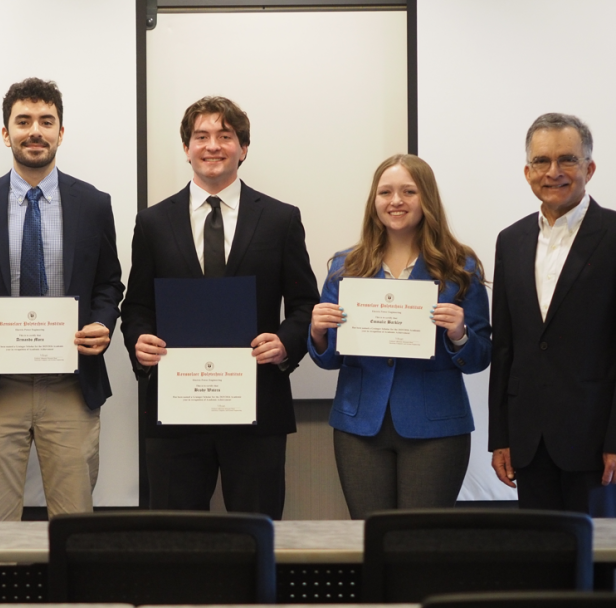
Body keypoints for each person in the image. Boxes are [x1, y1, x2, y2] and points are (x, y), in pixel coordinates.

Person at [120, 96, 318, 519]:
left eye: (225, 136)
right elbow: (136, 306)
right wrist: (139, 340)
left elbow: (305, 305)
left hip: (257, 407)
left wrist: (285, 343)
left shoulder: (281, 219)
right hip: (175, 409)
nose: (212, 146)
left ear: (243, 148)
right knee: (175, 539)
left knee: (256, 534)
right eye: (201, 136)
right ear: (186, 148)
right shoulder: (153, 223)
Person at [0, 78, 123, 521]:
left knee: (73, 522)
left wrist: (103, 323)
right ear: (6, 133)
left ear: (61, 132)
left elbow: (109, 284)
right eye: (23, 121)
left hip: (70, 384)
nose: (35, 131)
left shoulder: (94, 204)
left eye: (46, 121)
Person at [309, 154, 491, 519]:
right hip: (360, 427)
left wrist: (460, 334)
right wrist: (317, 333)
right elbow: (329, 360)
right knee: (370, 535)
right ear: (374, 200)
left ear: (427, 199)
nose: (396, 201)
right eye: (385, 192)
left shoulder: (460, 266)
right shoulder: (346, 267)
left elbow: (480, 357)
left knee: (420, 541)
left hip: (437, 427)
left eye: (409, 191)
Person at [489, 113, 616, 516]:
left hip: (596, 444)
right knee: (539, 551)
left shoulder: (613, 235)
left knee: (597, 555)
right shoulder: (510, 241)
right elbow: (504, 346)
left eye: (567, 160)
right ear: (527, 172)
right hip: (529, 442)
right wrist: (500, 437)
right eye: (541, 161)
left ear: (589, 169)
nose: (553, 172)